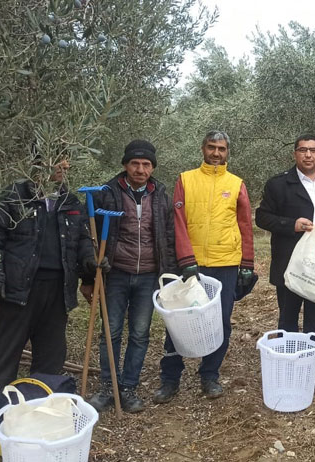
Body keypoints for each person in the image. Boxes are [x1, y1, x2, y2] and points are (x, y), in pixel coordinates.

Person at [0, 157, 99, 398]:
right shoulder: (12, 197)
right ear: (39, 163)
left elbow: (82, 240)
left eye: (66, 167)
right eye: (58, 166)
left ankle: (40, 409)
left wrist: (89, 263)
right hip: (18, 288)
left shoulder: (71, 201)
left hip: (58, 290)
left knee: (51, 355)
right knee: (7, 352)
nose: (63, 172)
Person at [153, 130, 256, 403]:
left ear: (228, 152)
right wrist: (186, 260)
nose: (216, 153)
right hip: (192, 264)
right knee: (179, 321)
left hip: (226, 263)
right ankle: (170, 378)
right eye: (211, 147)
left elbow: (245, 225)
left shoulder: (236, 184)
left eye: (221, 149)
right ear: (202, 148)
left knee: (220, 321)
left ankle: (210, 375)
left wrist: (247, 264)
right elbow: (178, 221)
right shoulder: (186, 180)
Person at [86, 140, 178, 413]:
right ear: (125, 165)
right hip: (115, 273)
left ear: (152, 168)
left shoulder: (161, 195)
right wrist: (89, 274)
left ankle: (128, 387)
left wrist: (169, 274)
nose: (140, 169)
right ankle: (107, 387)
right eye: (135, 163)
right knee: (110, 332)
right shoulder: (107, 193)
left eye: (146, 164)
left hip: (149, 275)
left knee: (140, 334)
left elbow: (169, 236)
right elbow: (89, 236)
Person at [257, 134, 315, 390]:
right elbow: (262, 217)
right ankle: (288, 366)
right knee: (288, 318)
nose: (308, 155)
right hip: (291, 265)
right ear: (295, 154)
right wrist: (291, 224)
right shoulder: (279, 184)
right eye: (303, 150)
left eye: (313, 150)